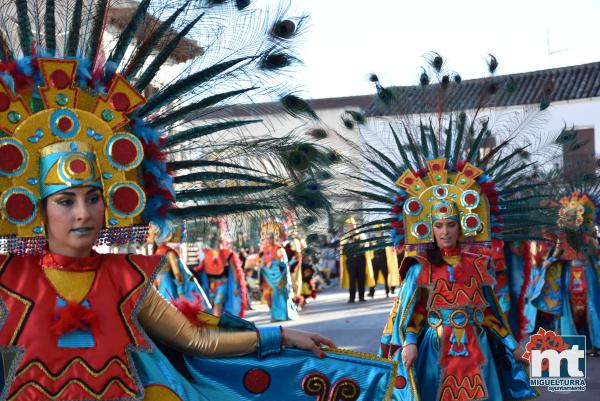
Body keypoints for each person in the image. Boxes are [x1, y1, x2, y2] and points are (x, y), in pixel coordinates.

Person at [380, 199, 536, 401]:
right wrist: (410, 343)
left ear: (461, 226)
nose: (445, 232)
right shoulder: (420, 267)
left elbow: (487, 313)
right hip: (436, 347)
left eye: (451, 224)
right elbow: (416, 312)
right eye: (439, 225)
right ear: (430, 229)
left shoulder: (478, 264)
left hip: (476, 345)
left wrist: (513, 345)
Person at [531, 192, 600, 356]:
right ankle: (573, 342)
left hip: (587, 273)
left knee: (592, 306)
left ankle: (595, 342)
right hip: (569, 273)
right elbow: (556, 253)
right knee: (570, 308)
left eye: (571, 218)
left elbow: (595, 251)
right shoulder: (562, 237)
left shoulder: (588, 236)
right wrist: (549, 263)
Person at [340, 218, 376, 303]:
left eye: (353, 225)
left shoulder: (361, 235)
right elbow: (343, 249)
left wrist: (356, 243)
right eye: (350, 225)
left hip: (360, 260)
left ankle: (361, 297)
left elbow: (365, 246)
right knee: (352, 279)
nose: (351, 227)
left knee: (361, 278)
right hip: (351, 261)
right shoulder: (345, 237)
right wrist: (350, 245)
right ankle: (352, 297)